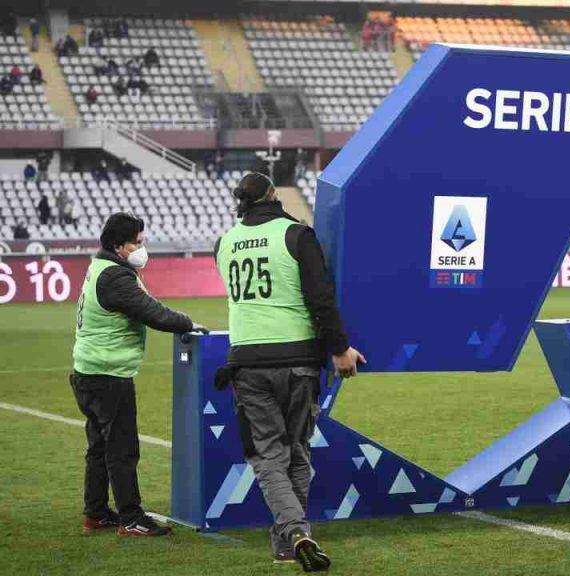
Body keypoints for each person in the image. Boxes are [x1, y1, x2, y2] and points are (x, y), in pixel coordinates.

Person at [214, 172, 364, 571]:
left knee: (267, 456)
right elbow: (321, 299)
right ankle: (294, 534)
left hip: (247, 361)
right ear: (274, 196)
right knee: (297, 452)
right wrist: (339, 349)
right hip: (298, 360)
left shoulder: (223, 243)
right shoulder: (297, 235)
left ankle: (291, 537)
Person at [71, 213, 208, 536]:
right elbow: (151, 312)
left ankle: (96, 513)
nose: (142, 248)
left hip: (87, 370)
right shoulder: (117, 277)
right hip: (108, 374)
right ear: (119, 246)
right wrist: (188, 323)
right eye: (137, 242)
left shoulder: (100, 267)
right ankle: (131, 518)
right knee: (121, 448)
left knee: (99, 447)